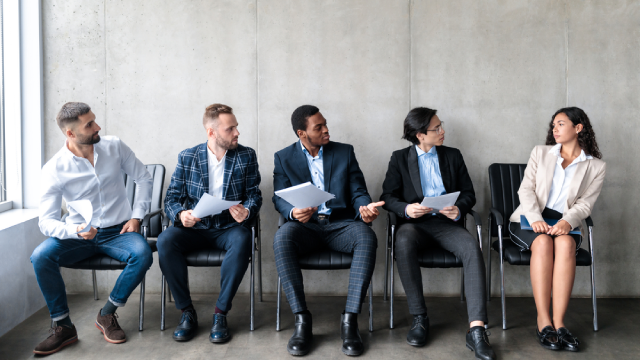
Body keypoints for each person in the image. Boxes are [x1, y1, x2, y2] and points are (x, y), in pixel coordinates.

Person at [31, 102, 154, 355]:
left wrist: (137, 217)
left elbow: (143, 178)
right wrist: (75, 230)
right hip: (80, 235)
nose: (98, 127)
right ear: (70, 133)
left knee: (142, 255)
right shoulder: (54, 169)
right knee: (40, 256)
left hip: (119, 231)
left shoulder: (114, 146)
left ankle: (107, 314)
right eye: (90, 124)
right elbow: (47, 221)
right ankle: (63, 326)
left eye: (94, 120)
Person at [380, 107, 495, 360]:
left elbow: (469, 194)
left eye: (441, 126)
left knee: (471, 247)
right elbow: (387, 197)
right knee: (403, 238)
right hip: (414, 225)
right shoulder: (399, 158)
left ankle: (477, 330)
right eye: (436, 128)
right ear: (420, 134)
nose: (442, 131)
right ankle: (420, 318)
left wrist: (459, 209)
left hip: (447, 224)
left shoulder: (453, 156)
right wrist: (407, 208)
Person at [272, 105, 383, 357]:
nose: (326, 130)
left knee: (367, 236)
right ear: (302, 133)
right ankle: (302, 320)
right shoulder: (283, 157)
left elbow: (357, 189)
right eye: (318, 127)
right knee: (282, 238)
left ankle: (350, 320)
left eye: (325, 124)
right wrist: (292, 212)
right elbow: (279, 197)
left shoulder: (344, 152)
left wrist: (364, 206)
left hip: (340, 224)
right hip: (306, 227)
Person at [157, 103, 262, 344]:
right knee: (165, 240)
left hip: (229, 228)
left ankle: (220, 314)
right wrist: (181, 214)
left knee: (243, 238)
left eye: (236, 127)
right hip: (194, 228)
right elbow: (171, 198)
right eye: (230, 129)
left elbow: (255, 194)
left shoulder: (246, 155)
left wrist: (246, 211)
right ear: (211, 132)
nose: (237, 133)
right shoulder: (188, 156)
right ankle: (187, 312)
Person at [509, 107, 605, 352]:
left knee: (566, 243)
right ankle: (544, 321)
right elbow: (525, 190)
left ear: (578, 128)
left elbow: (585, 203)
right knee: (541, 242)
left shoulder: (595, 166)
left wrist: (567, 222)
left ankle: (560, 323)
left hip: (564, 220)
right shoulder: (541, 153)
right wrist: (534, 219)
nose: (554, 129)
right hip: (530, 218)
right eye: (553, 125)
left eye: (561, 124)